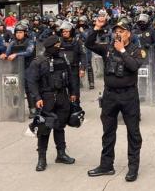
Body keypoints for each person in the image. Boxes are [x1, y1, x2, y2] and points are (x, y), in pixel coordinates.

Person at [86, 18, 143, 182]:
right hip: (110, 95)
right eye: (116, 31)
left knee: (133, 133)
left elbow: (133, 66)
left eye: (121, 31)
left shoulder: (137, 50)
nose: (118, 34)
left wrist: (123, 51)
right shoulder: (107, 48)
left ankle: (133, 168)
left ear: (129, 34)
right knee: (108, 131)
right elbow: (89, 44)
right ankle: (106, 165)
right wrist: (97, 27)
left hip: (129, 96)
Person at [27, 35, 78, 171]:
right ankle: (41, 158)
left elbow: (71, 76)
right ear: (50, 47)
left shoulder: (63, 59)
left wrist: (73, 93)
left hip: (62, 96)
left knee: (60, 126)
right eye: (56, 47)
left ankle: (61, 154)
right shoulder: (38, 62)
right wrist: (37, 98)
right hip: (46, 98)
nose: (59, 48)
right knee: (44, 129)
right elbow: (31, 82)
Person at [0, 23, 36, 118]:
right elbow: (7, 53)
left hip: (28, 69)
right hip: (15, 69)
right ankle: (15, 109)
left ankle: (33, 109)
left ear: (25, 33)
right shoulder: (12, 42)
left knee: (29, 90)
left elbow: (29, 52)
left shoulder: (30, 42)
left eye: (20, 32)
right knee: (14, 89)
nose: (18, 34)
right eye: (17, 32)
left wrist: (16, 54)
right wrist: (4, 55)